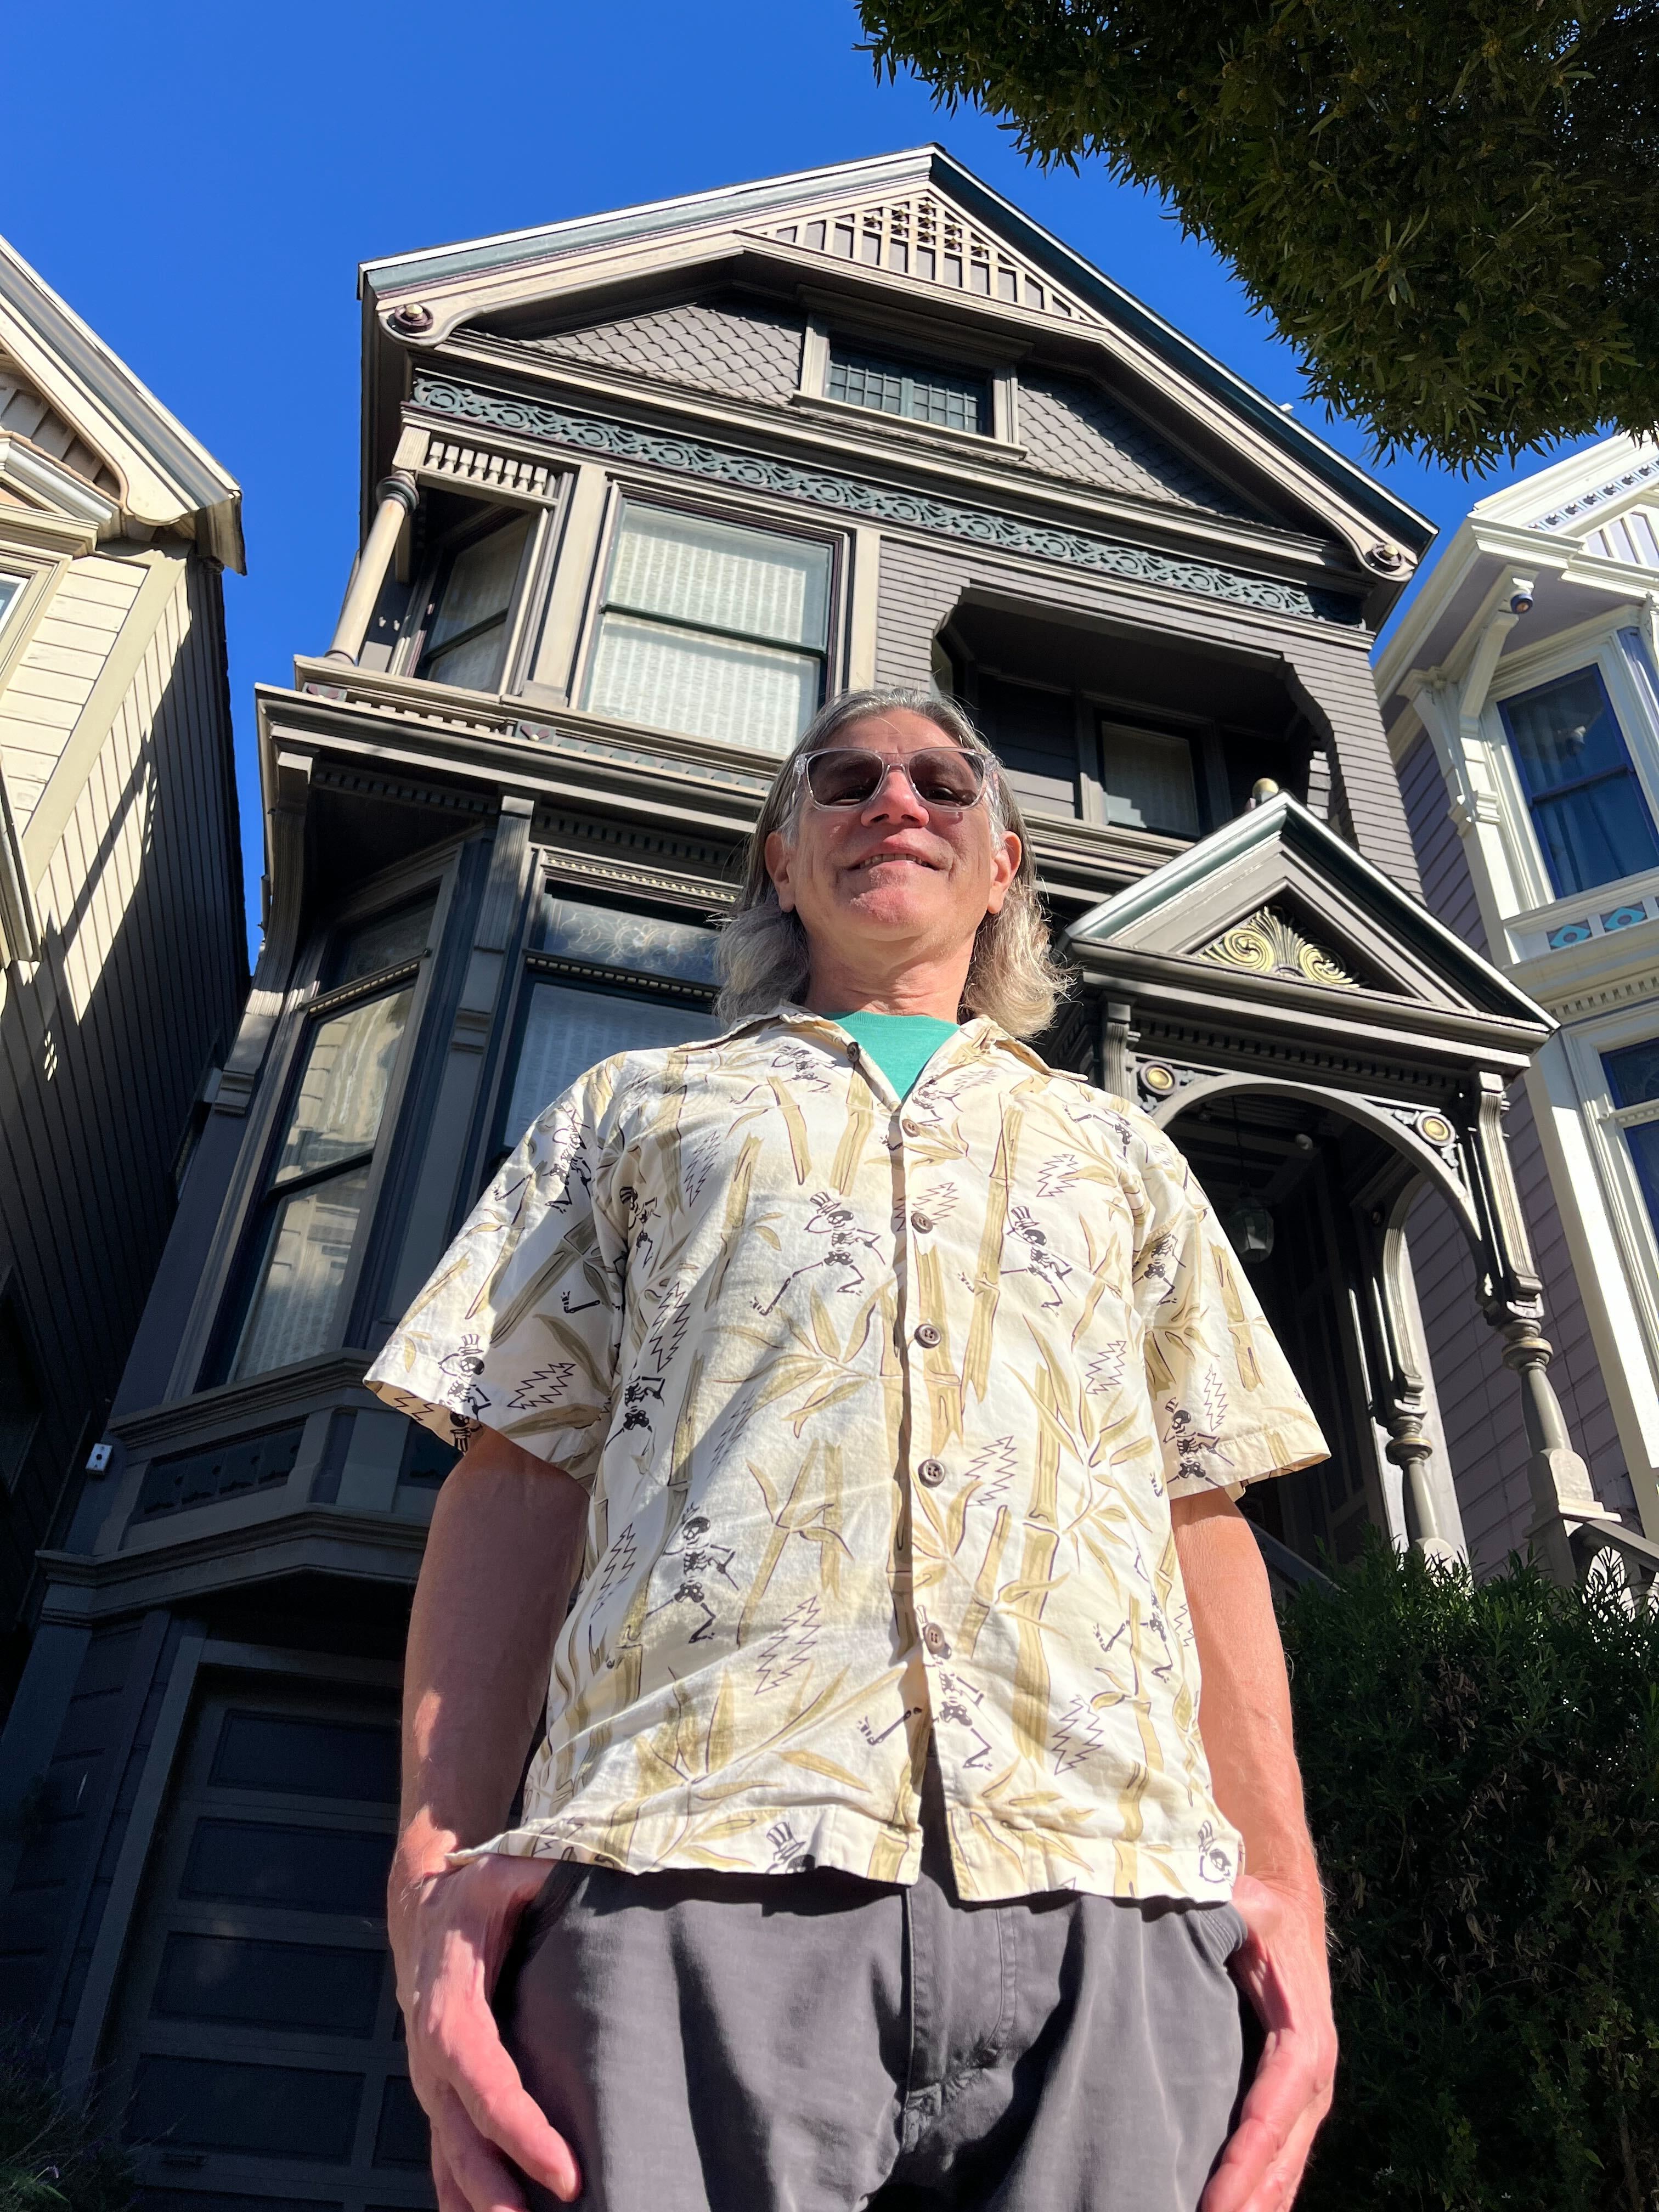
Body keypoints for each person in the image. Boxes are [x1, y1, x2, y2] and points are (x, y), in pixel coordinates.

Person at [370, 686, 1336, 2212]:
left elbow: (1200, 1517)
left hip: (1123, 1905)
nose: (900, 801)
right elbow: (515, 1478)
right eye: (848, 780)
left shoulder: (1124, 1157)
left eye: (947, 783)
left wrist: (1285, 1893)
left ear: (1007, 864)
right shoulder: (632, 1114)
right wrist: (430, 1885)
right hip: (684, 1869)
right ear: (779, 854)